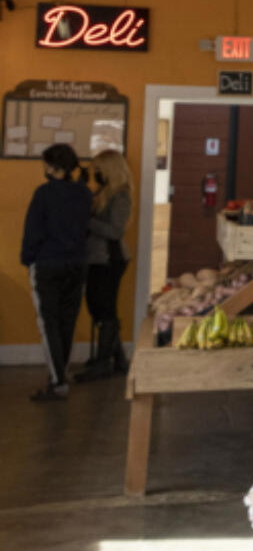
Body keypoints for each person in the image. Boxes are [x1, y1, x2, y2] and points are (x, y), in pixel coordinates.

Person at [21, 141, 93, 403]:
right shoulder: (84, 194)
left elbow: (32, 232)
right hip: (77, 264)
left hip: (48, 264)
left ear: (52, 167)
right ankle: (58, 375)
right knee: (67, 322)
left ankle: (58, 381)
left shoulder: (44, 193)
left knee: (49, 322)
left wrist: (28, 260)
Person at [74, 148, 133, 381]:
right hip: (99, 258)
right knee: (101, 306)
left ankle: (103, 362)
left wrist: (87, 222)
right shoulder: (104, 193)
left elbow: (116, 231)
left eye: (98, 169)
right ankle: (116, 359)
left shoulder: (121, 195)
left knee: (102, 307)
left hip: (110, 258)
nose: (95, 173)